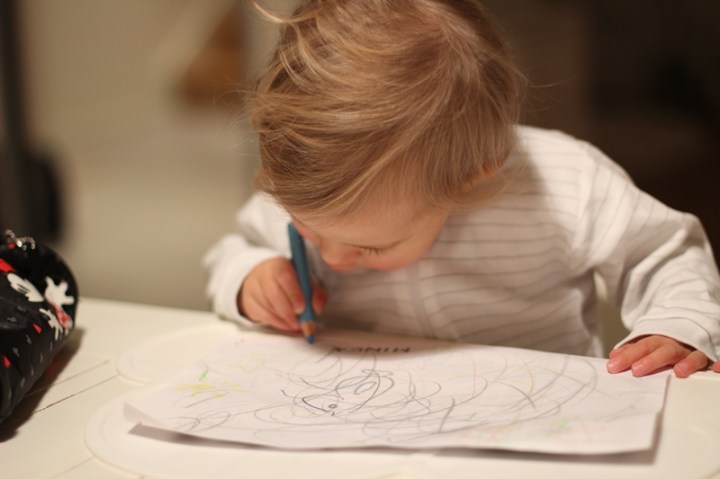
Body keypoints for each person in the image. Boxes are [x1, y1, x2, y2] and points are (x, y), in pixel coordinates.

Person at [204, 0, 720, 377]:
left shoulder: (569, 183)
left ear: (475, 173)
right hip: (365, 411)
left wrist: (674, 327)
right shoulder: (309, 187)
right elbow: (235, 249)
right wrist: (252, 278)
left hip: (540, 419)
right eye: (309, 232)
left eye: (371, 247)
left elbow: (665, 255)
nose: (332, 259)